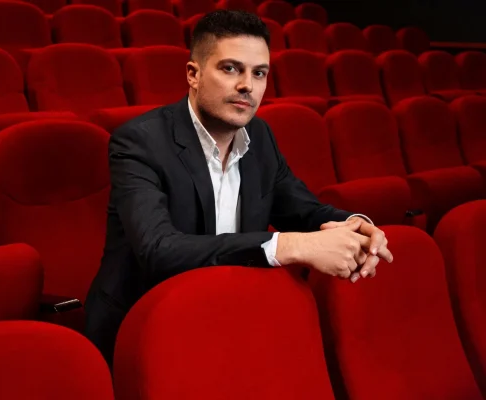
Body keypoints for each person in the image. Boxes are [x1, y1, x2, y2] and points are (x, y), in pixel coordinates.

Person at [84, 10, 393, 367]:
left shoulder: (259, 136)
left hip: (229, 313)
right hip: (144, 329)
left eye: (259, 73)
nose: (247, 85)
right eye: (231, 68)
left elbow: (304, 210)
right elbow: (158, 250)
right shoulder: (140, 142)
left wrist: (356, 225)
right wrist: (290, 245)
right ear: (194, 74)